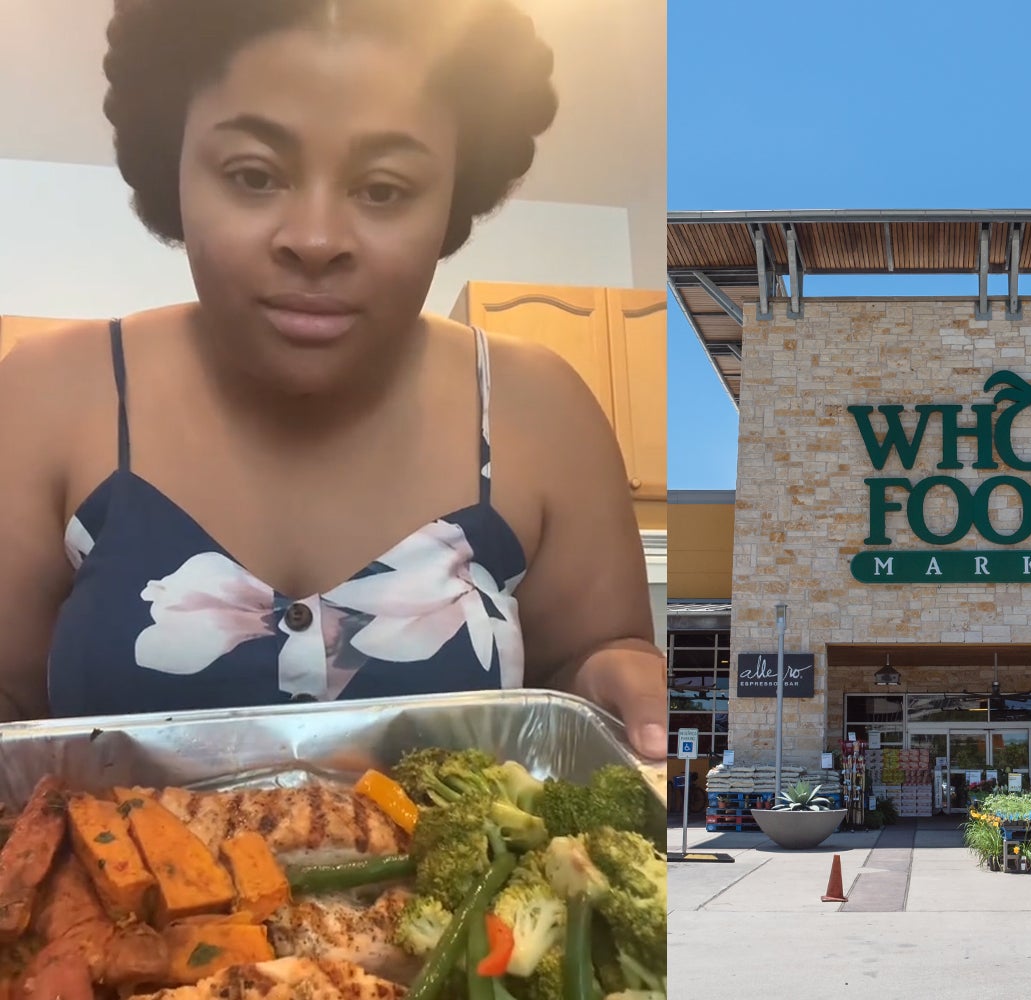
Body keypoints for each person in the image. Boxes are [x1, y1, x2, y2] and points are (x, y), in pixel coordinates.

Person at [0, 0, 671, 759]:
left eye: (383, 189)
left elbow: (584, 670)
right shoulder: (44, 396)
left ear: (453, 192)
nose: (316, 240)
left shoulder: (541, 410)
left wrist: (619, 677)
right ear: (174, 167)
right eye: (253, 174)